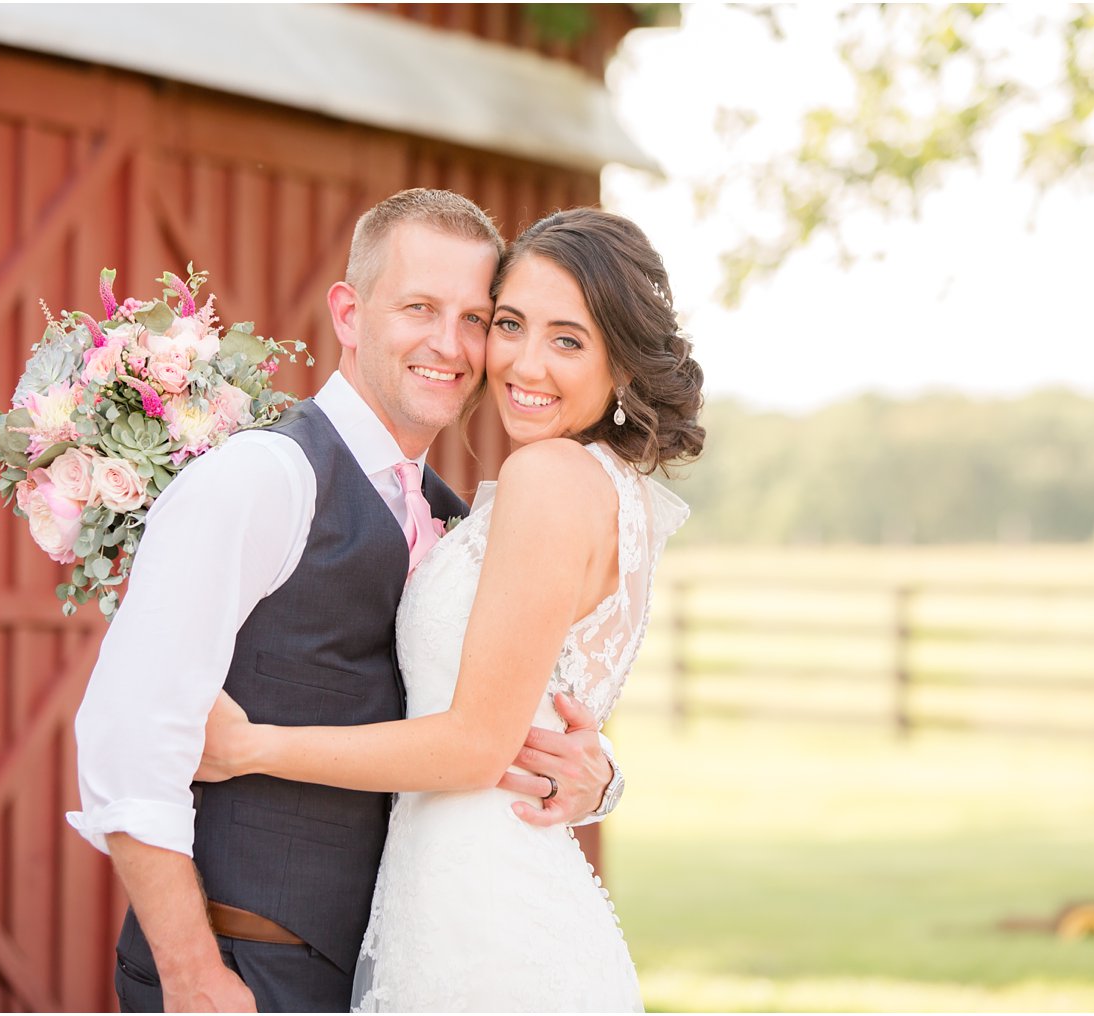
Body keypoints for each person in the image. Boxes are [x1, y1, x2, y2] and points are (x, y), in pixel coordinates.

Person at [67, 189, 624, 1014]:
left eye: (477, 317)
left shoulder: (458, 521)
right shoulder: (264, 477)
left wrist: (596, 778)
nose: (451, 344)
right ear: (350, 313)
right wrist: (190, 972)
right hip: (246, 964)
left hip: (391, 967)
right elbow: (128, 734)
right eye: (419, 308)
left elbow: (481, 719)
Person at [198, 207, 704, 1011]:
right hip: (476, 885)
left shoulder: (548, 479)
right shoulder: (613, 495)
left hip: (482, 914)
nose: (523, 363)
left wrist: (249, 747)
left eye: (567, 340)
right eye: (508, 325)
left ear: (625, 366)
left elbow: (476, 745)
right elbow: (538, 704)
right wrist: (598, 779)